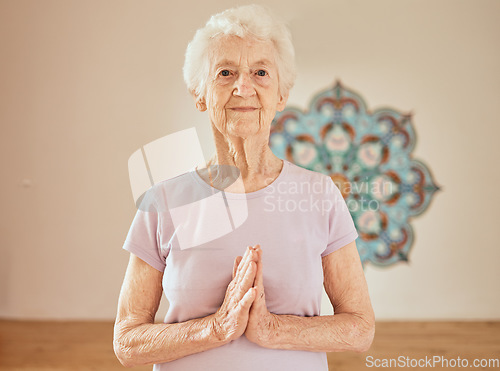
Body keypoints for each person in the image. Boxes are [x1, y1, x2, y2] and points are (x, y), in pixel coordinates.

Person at [113, 4, 374, 370]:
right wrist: (216, 329)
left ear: (281, 95)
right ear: (200, 94)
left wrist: (272, 330)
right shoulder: (162, 201)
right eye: (225, 72)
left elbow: (360, 328)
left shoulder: (320, 194)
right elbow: (127, 341)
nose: (243, 86)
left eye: (261, 72)